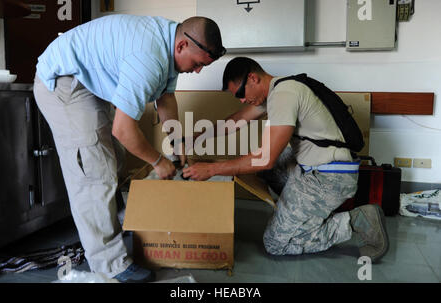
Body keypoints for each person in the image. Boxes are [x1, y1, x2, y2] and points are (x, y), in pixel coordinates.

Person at [33, 14, 225, 282]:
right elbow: (123, 130)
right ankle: (110, 263)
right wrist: (159, 161)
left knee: (115, 156)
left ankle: (116, 221)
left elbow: (166, 99)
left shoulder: (170, 46)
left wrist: (180, 144)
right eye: (196, 65)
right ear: (181, 46)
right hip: (64, 81)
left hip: (89, 83)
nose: (197, 71)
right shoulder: (148, 57)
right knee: (94, 170)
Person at [183, 57, 389, 262]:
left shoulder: (284, 95)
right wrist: (197, 138)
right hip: (314, 167)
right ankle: (302, 213)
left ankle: (356, 221)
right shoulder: (279, 90)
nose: (242, 100)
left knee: (275, 243)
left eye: (240, 93)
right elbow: (237, 120)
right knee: (267, 165)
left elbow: (264, 159)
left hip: (330, 178)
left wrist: (211, 169)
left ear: (253, 78)